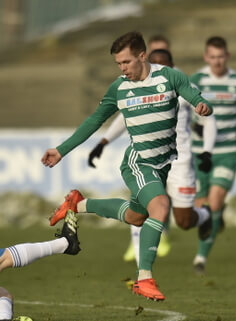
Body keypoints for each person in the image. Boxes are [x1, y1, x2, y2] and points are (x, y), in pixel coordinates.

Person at [41, 31, 213, 301]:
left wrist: (203, 106)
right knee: (160, 207)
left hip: (163, 163)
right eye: (118, 64)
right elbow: (94, 120)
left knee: (137, 217)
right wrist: (62, 150)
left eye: (126, 62)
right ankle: (144, 278)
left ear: (142, 56)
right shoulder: (119, 87)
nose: (122, 69)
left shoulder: (170, 77)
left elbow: (194, 95)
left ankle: (77, 204)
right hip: (138, 162)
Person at [87, 49, 217, 270]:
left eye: (162, 64)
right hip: (147, 157)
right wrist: (104, 141)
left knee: (184, 221)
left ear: (171, 65)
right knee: (143, 208)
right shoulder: (137, 85)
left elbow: (208, 119)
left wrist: (207, 151)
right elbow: (122, 115)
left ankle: (205, 215)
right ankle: (143, 270)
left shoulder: (180, 83)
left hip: (180, 159)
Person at [190, 36, 236, 274]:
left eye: (221, 56)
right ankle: (216, 216)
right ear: (206, 57)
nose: (217, 61)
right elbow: (182, 108)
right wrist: (193, 126)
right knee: (201, 206)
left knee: (214, 202)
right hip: (200, 151)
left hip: (228, 150)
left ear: (227, 56)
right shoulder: (196, 80)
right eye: (213, 57)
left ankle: (200, 258)